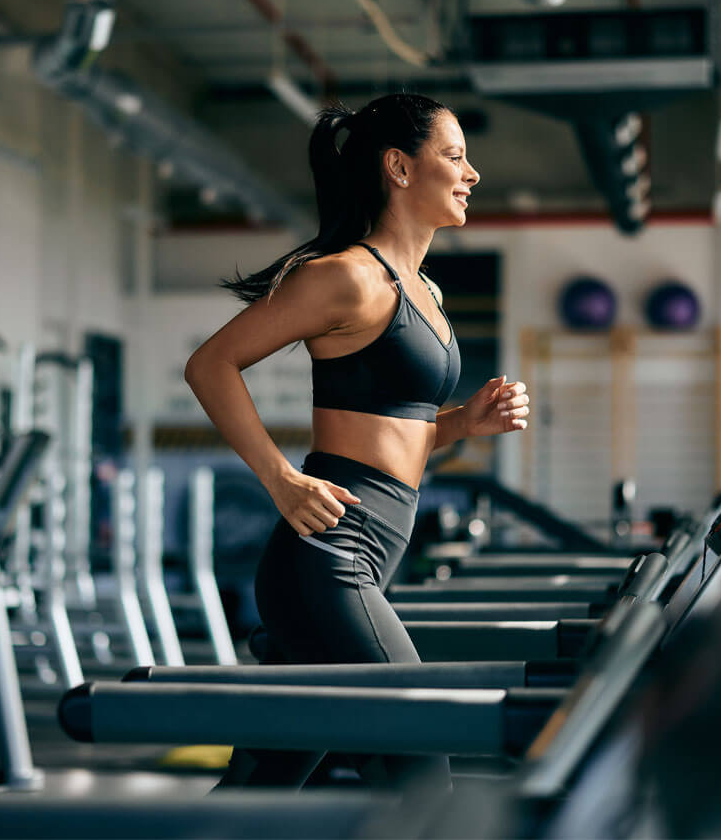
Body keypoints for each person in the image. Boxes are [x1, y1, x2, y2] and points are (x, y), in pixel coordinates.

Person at [184, 93, 530, 791]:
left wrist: (464, 423)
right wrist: (281, 479)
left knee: (262, 790)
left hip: (367, 554)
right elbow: (210, 364)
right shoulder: (347, 277)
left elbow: (389, 440)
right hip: (328, 558)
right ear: (399, 168)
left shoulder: (423, 289)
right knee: (422, 757)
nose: (473, 174)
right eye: (455, 156)